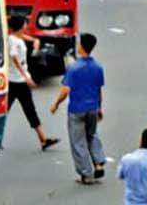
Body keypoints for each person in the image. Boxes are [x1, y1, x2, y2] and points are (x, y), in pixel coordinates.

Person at [50, 33, 106, 185]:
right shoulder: (98, 67)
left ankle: (86, 174)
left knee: (78, 141)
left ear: (81, 46)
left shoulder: (74, 68)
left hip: (77, 109)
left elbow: (66, 90)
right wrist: (100, 107)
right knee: (92, 135)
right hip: (93, 107)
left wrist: (56, 103)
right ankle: (98, 163)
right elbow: (99, 90)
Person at [7, 15, 60, 151]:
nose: (26, 26)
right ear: (20, 26)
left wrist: (34, 40)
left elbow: (22, 37)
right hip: (16, 80)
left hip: (18, 80)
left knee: (27, 109)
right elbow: (13, 57)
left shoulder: (15, 37)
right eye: (24, 24)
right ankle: (43, 139)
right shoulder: (14, 41)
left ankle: (43, 139)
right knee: (19, 109)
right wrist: (26, 76)